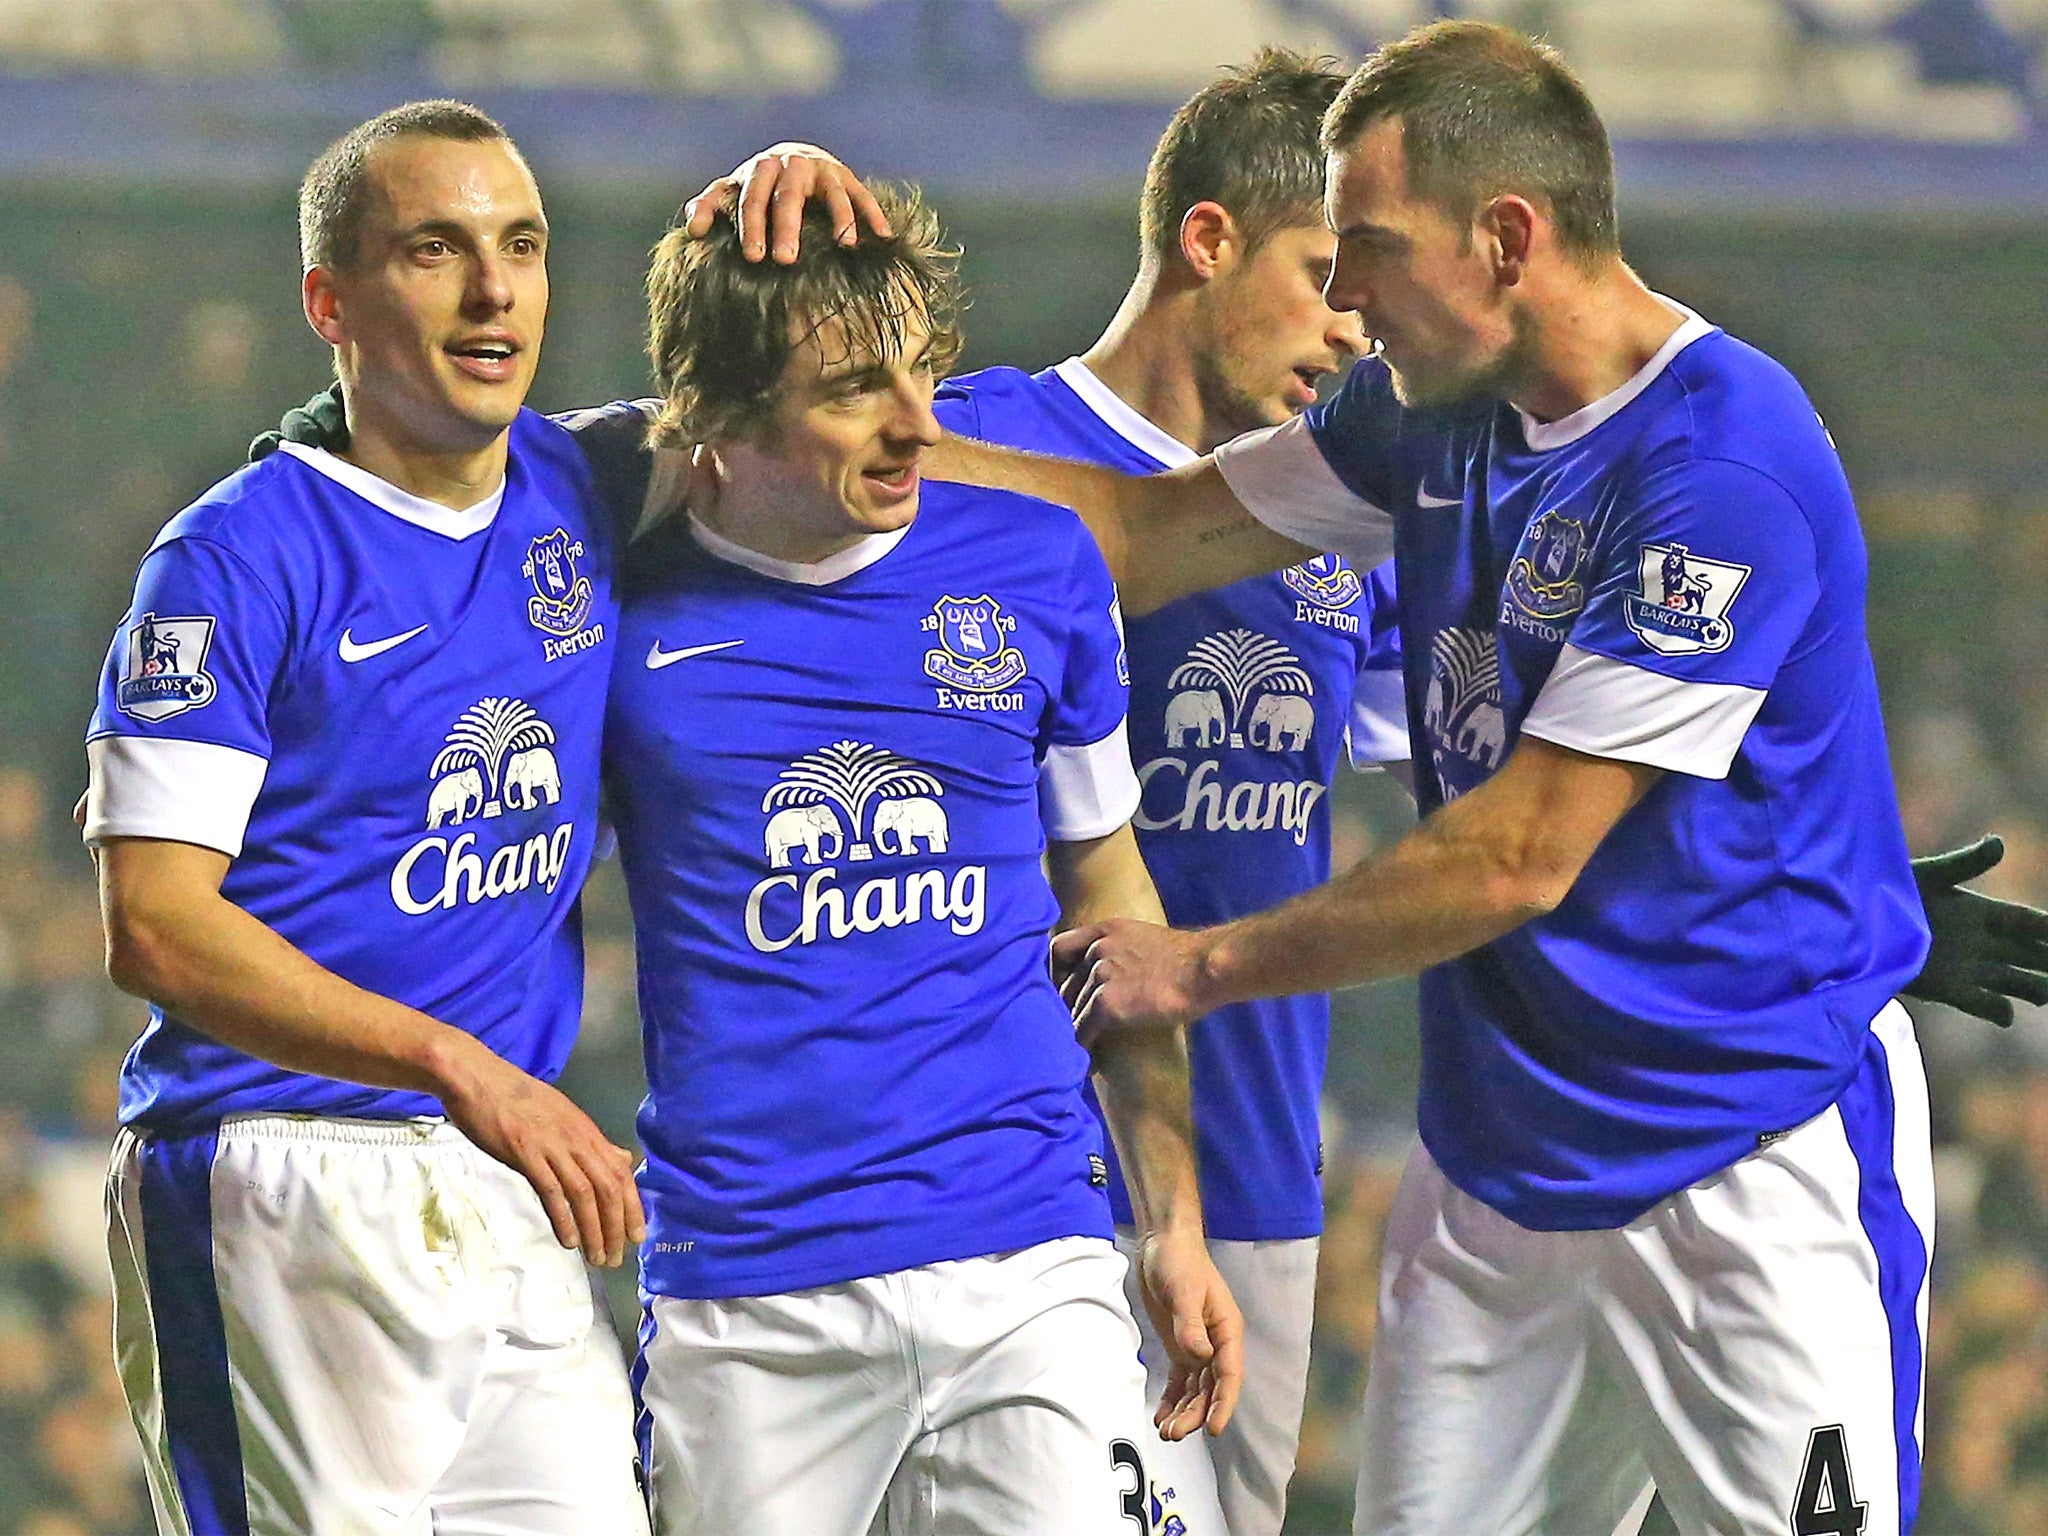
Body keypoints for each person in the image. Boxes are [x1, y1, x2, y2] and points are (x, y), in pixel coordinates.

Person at [687, 22, 2048, 1535]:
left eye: (1371, 250)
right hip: (1493, 1178)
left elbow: (1521, 851)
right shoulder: (1425, 414)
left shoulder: (1719, 465)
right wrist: (807, 410)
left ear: (1507, 239)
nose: (1341, 294)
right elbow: (1151, 535)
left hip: (1738, 1162)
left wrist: (1194, 966)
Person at [586, 187, 1239, 1535]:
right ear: (716, 418)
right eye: (851, 390)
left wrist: (1170, 1215)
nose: (917, 424)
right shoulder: (616, 608)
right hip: (749, 1294)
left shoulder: (1037, 566)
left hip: (1028, 1255)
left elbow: (1110, 895)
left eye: (918, 368)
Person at [85, 102, 648, 1535]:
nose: (494, 290)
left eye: (520, 245)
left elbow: (837, 423)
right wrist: (453, 1062)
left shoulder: (583, 490)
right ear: (331, 302)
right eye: (436, 250)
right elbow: (154, 926)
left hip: (505, 1179)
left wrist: (792, 191)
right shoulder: (232, 559)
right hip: (277, 1175)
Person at [924, 51, 1403, 1536]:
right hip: (987, 1174)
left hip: (1250, 1186)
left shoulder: (1342, 527)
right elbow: (713, 465)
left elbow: (1494, 780)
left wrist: (1771, 869)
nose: (1355, 327)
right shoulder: (947, 446)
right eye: (1328, 275)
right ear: (1209, 241)